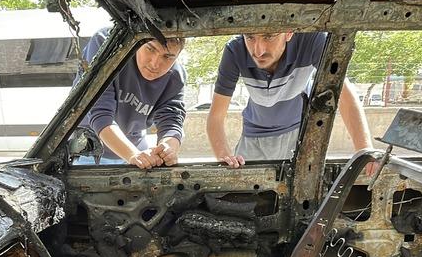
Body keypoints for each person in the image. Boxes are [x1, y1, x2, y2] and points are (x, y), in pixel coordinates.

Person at [206, 32, 373, 168]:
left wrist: (364, 151)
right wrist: (224, 156)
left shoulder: (313, 40)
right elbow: (216, 116)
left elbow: (343, 94)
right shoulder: (234, 50)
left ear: (289, 32)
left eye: (269, 36)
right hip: (252, 137)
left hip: (299, 133)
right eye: (250, 37)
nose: (258, 51)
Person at [75, 27, 186, 169]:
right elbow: (100, 112)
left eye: (168, 57)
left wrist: (168, 149)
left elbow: (172, 120)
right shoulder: (108, 43)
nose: (155, 64)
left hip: (136, 147)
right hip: (89, 151)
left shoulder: (176, 76)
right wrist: (133, 155)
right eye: (150, 49)